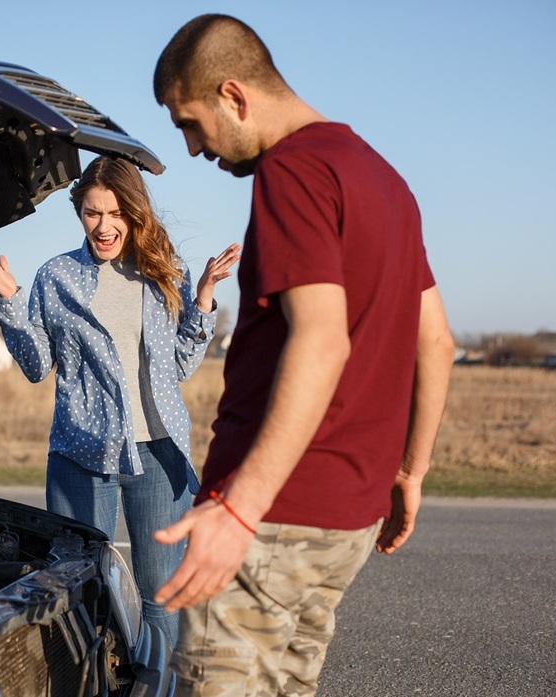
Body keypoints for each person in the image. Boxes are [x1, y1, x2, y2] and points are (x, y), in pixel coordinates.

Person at [149, 14, 456, 696]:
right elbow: (436, 341)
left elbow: (323, 338)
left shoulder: (294, 172)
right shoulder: (385, 180)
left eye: (189, 123)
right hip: (349, 515)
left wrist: (237, 510)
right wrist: (412, 470)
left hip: (274, 514)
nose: (195, 148)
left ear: (234, 95)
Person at [0, 155, 240, 645]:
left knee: (160, 595)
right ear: (79, 213)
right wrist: (9, 299)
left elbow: (179, 367)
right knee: (80, 592)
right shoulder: (57, 277)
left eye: (116, 213)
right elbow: (35, 366)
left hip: (158, 452)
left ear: (134, 214)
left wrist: (202, 298)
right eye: (93, 213)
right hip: (81, 451)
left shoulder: (164, 274)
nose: (105, 226)